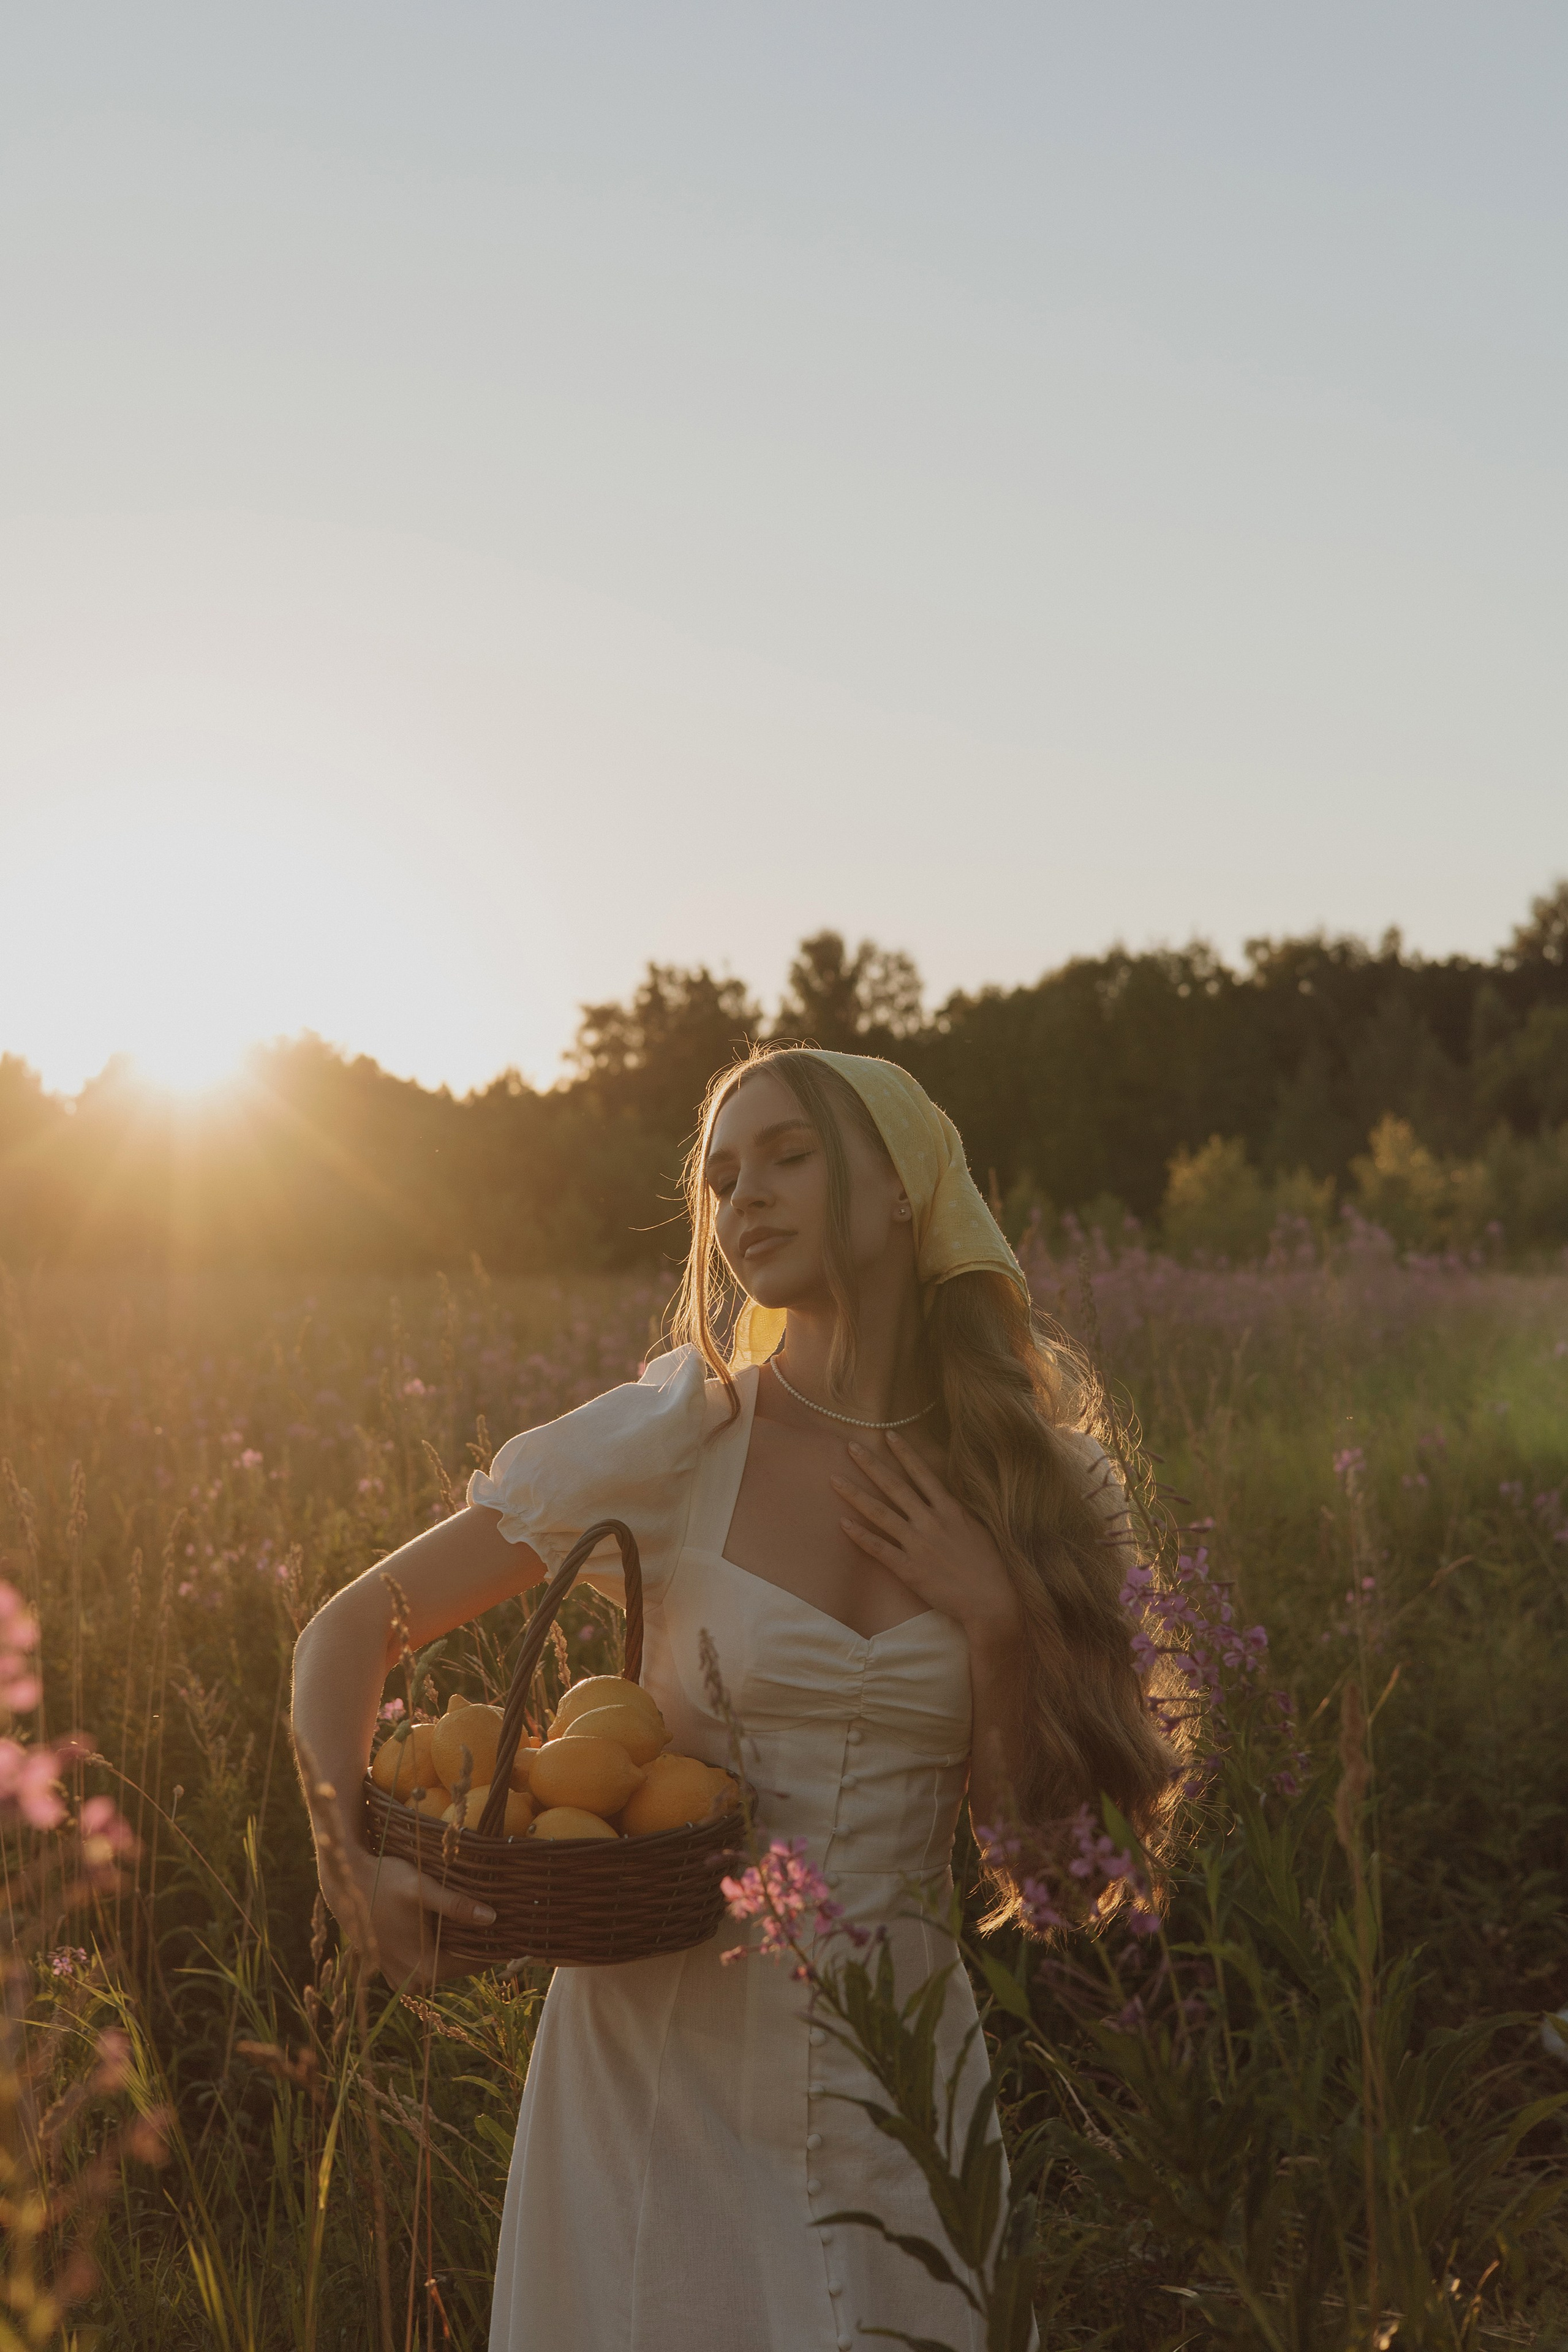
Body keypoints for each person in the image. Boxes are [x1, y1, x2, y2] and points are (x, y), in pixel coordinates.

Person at [292, 1046, 1174, 2351]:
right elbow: (354, 1625)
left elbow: (1037, 1872)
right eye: (717, 1176)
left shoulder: (1040, 1487)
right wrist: (344, 1863)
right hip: (656, 2069)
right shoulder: (678, 1442)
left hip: (903, 2081)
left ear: (899, 1191)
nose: (739, 1197)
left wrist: (993, 1621)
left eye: (786, 1156)